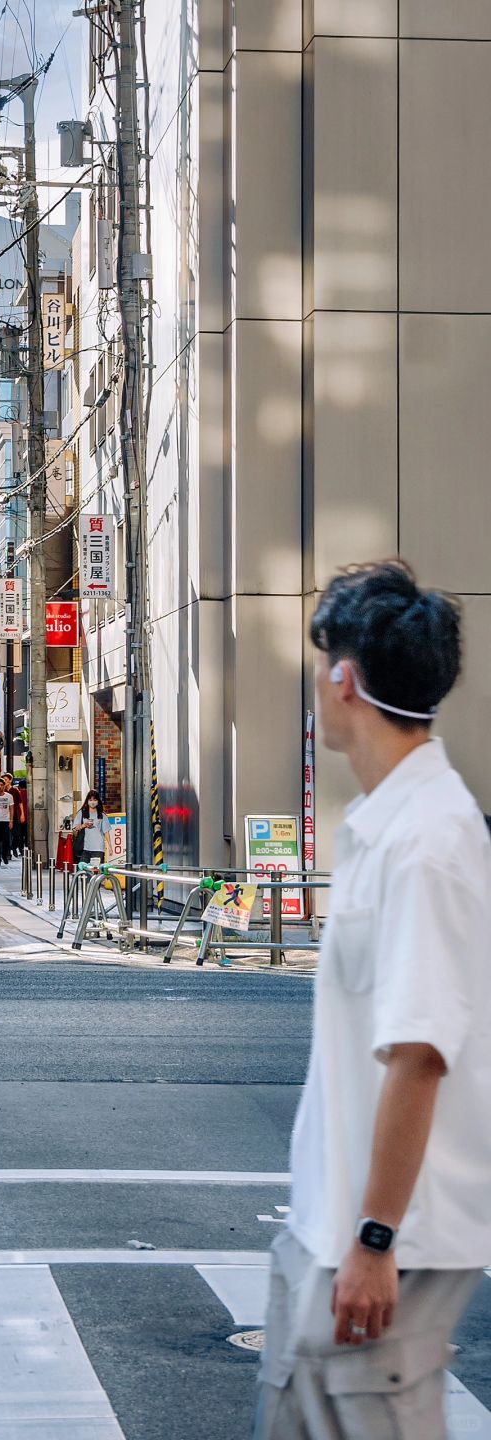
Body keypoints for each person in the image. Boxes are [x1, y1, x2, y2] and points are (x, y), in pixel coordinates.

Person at [255, 561, 491, 1440]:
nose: (317, 685)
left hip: (386, 1246)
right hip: (336, 1230)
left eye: (321, 665)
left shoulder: (426, 841)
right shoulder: (391, 822)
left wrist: (376, 1239)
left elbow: (421, 1053)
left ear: (345, 677)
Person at [72, 790, 109, 862]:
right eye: (90, 800)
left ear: (98, 801)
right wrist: (84, 825)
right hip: (84, 847)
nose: (92, 802)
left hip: (98, 848)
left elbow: (106, 832)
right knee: (83, 869)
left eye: (95, 800)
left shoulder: (102, 815)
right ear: (87, 801)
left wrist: (110, 847)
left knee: (95, 870)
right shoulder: (82, 813)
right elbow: (75, 828)